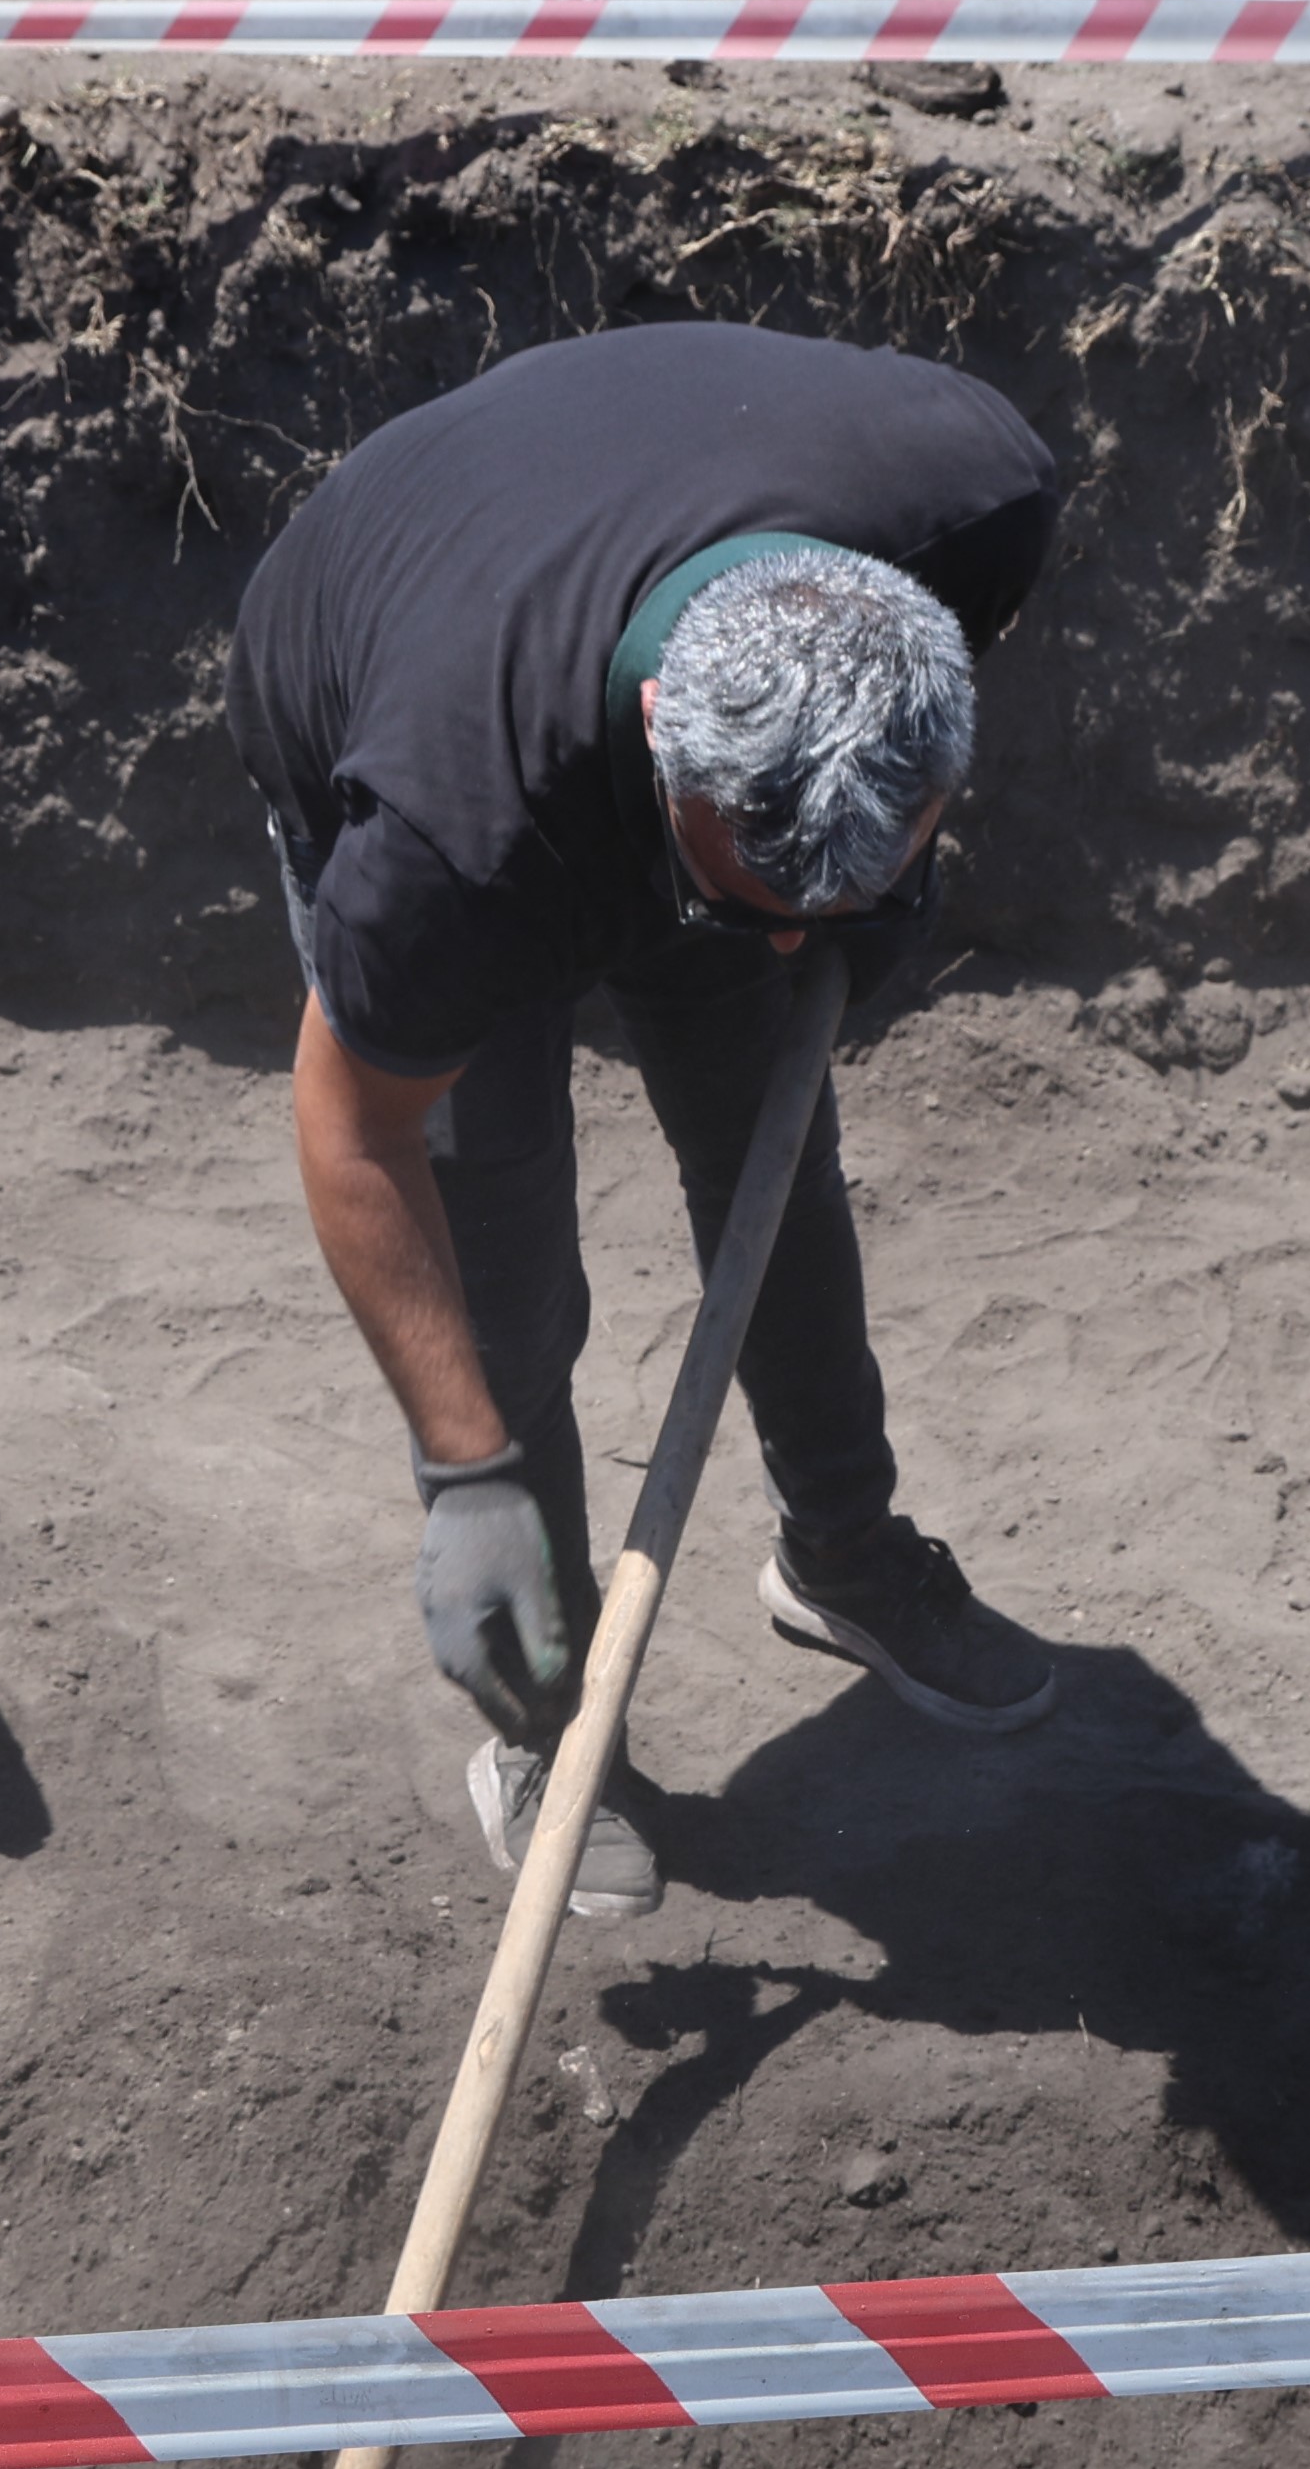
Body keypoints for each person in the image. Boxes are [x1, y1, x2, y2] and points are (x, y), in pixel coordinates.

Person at [233, 321, 1066, 1917]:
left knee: (771, 1138)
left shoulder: (974, 502)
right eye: (738, 896)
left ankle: (844, 1549)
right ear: (668, 732)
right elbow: (353, 1135)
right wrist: (462, 1465)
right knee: (504, 1256)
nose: (779, 941)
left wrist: (863, 895)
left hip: (633, 536)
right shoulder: (450, 842)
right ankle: (547, 1720)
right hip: (387, 633)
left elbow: (820, 847)